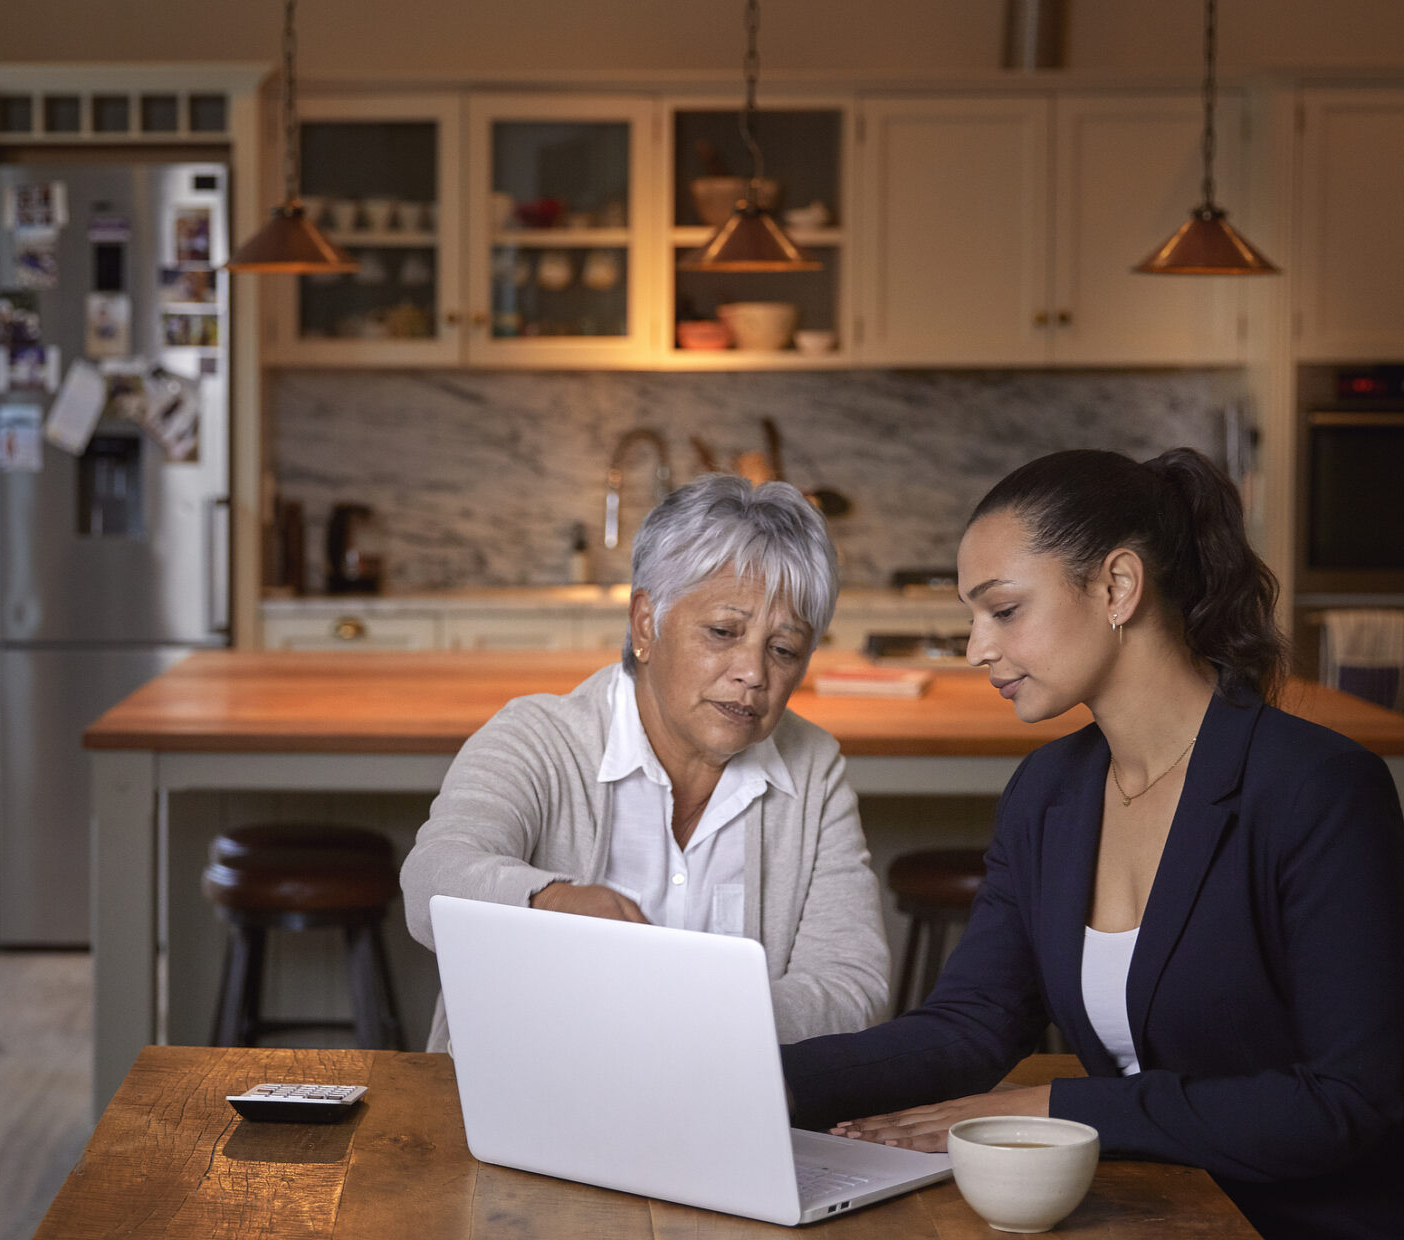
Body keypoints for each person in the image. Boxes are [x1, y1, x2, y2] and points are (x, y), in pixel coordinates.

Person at [781, 448, 1404, 1240]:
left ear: (1117, 586)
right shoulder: (1048, 793)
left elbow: (1348, 1100)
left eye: (1003, 610)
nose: (976, 648)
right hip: (1145, 1211)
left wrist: (1057, 1106)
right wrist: (761, 1079)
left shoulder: (1318, 790)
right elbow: (969, 1026)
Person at [402, 475, 889, 1051]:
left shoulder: (813, 768)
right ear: (645, 625)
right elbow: (431, 878)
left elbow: (855, 989)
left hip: (724, 1114)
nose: (754, 673)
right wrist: (551, 903)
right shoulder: (537, 737)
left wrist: (684, 1012)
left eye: (783, 650)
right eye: (723, 632)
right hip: (520, 1108)